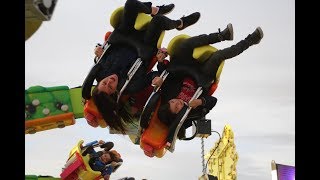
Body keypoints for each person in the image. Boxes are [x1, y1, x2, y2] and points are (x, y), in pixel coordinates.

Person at [83, 0, 201, 133]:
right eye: (110, 86)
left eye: (104, 82)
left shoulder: (100, 72)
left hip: (123, 35)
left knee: (131, 4)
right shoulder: (131, 86)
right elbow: (153, 76)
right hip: (144, 44)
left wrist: (97, 49)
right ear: (115, 92)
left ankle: (154, 10)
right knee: (158, 21)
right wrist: (158, 79)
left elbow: (102, 49)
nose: (109, 80)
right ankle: (180, 23)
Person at [153, 23, 264, 145]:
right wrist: (200, 102)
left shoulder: (168, 96)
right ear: (177, 115)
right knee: (218, 56)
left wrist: (160, 63)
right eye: (176, 108)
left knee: (185, 44)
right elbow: (213, 101)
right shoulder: (191, 115)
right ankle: (251, 40)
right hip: (203, 75)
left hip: (185, 68)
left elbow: (165, 75)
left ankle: (222, 35)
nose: (176, 102)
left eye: (172, 102)